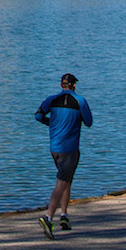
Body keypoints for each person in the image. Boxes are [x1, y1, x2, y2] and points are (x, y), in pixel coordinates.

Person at [34, 72, 92, 239]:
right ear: (74, 85)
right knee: (61, 183)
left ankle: (64, 216)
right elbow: (88, 122)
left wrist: (51, 122)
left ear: (61, 85)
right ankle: (48, 217)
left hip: (55, 148)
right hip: (70, 149)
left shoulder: (51, 100)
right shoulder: (80, 101)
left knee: (67, 181)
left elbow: (38, 116)